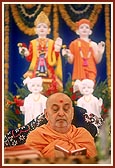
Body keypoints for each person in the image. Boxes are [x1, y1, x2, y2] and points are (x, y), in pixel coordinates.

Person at [25, 92, 97, 158]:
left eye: (66, 109)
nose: (61, 114)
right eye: (55, 109)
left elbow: (93, 162)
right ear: (46, 114)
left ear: (72, 113)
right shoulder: (37, 136)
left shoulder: (83, 135)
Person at [18, 11, 63, 93]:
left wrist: (57, 49)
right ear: (35, 30)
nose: (42, 28)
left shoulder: (51, 43)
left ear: (48, 30)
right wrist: (25, 52)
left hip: (49, 71)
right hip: (36, 71)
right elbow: (30, 58)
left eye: (44, 27)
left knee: (50, 91)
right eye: (39, 27)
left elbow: (54, 59)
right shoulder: (33, 43)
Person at [62, 18, 105, 82]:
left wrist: (100, 53)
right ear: (77, 31)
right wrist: (66, 55)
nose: (84, 29)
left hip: (91, 71)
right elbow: (71, 61)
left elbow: (97, 60)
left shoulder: (93, 44)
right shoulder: (74, 44)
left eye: (87, 27)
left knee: (89, 90)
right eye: (82, 27)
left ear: (90, 32)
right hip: (78, 72)